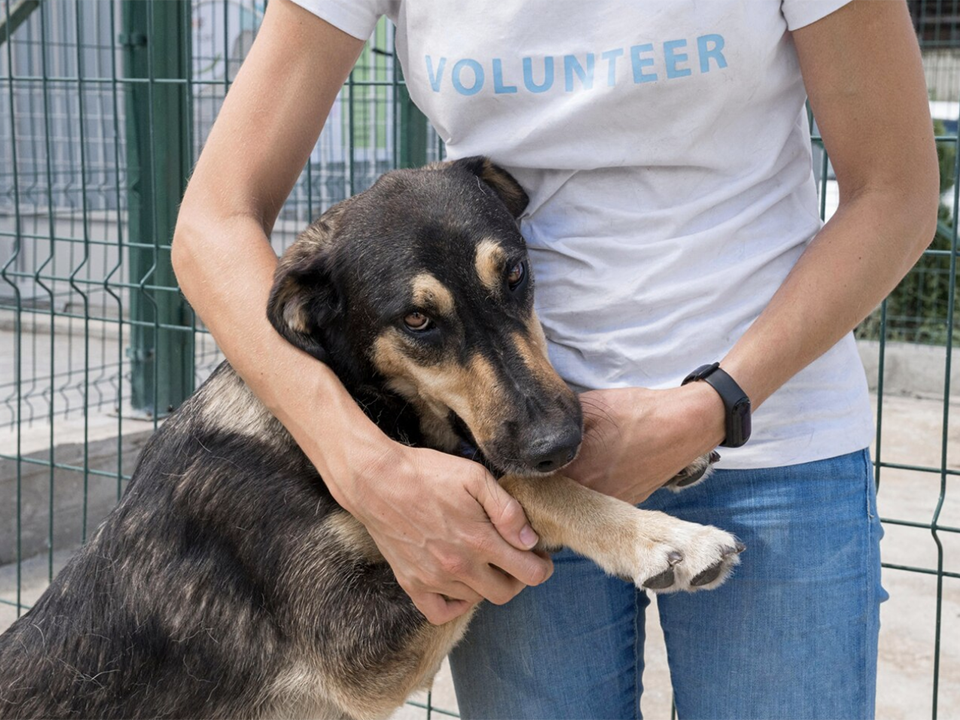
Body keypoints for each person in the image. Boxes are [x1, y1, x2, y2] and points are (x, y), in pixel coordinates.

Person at [171, 1, 939, 717]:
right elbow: (213, 223)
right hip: (507, 485)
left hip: (773, 440)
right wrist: (368, 469)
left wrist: (715, 404)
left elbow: (895, 192)